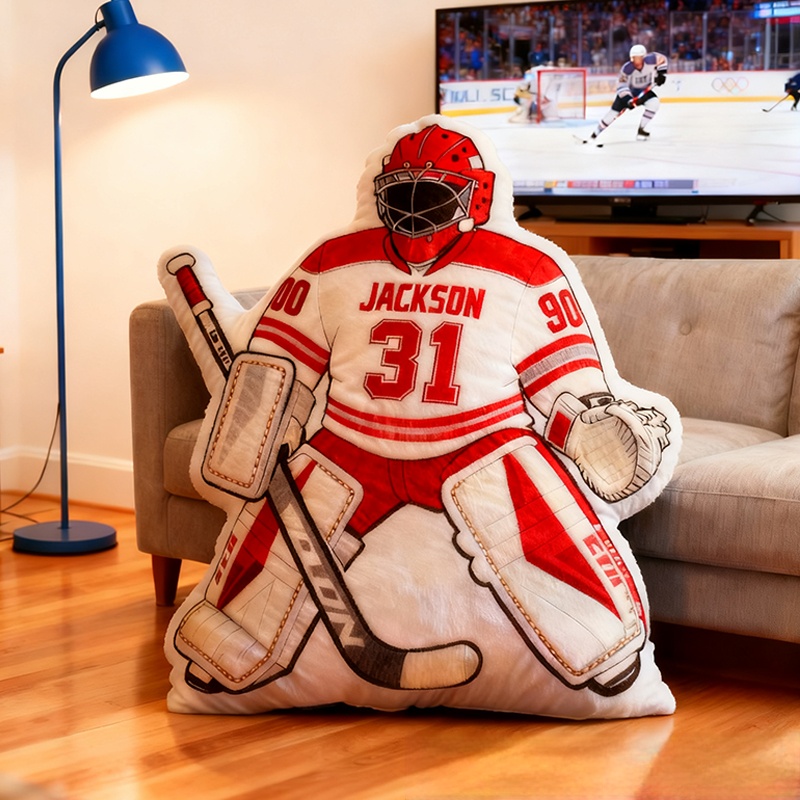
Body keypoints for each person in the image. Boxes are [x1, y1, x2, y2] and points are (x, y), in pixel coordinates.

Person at [161, 119, 673, 700]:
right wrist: (260, 424)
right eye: (398, 195)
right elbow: (282, 356)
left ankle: (600, 642)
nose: (411, 211)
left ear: (474, 197)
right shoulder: (334, 260)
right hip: (352, 440)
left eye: (429, 195)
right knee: (277, 538)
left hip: (479, 440)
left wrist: (590, 427)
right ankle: (228, 647)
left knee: (537, 523)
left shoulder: (525, 268)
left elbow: (561, 381)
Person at [591, 44, 668, 140]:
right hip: (628, 93)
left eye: (638, 58)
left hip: (644, 90)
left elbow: (662, 59)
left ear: (643, 57)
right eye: (633, 58)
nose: (635, 61)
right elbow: (621, 86)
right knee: (613, 113)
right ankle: (595, 134)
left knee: (654, 103)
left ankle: (641, 130)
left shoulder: (651, 60)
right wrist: (628, 100)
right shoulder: (627, 69)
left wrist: (662, 73)